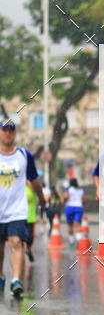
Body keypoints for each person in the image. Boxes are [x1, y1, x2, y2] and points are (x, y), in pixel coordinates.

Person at [0, 119, 45, 297]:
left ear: (15, 133)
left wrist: (42, 199)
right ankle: (1, 276)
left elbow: (35, 180)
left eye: (11, 130)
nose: (8, 133)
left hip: (17, 210)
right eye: (4, 130)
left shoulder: (24, 156)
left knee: (16, 242)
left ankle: (16, 280)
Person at [62, 176, 85, 246]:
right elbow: (85, 199)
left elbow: (65, 197)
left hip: (69, 207)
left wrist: (64, 199)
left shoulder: (67, 189)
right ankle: (79, 241)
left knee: (70, 225)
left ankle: (71, 241)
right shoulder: (81, 190)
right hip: (79, 207)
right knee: (78, 224)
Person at [25, 180, 37, 262]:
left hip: (30, 216)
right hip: (20, 216)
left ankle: (28, 250)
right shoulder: (21, 187)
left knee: (30, 237)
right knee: (19, 238)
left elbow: (36, 190)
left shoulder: (32, 188)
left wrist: (29, 184)